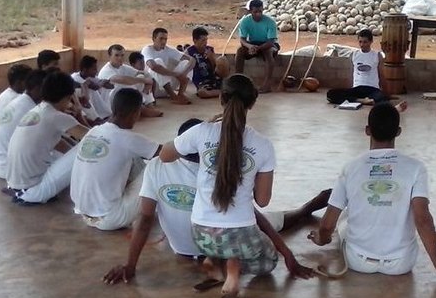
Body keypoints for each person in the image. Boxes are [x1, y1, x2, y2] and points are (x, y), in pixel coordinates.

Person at [103, 118, 331, 286]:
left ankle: (220, 264)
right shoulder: (213, 172)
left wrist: (130, 265)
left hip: (181, 249)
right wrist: (288, 255)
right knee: (274, 221)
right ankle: (307, 208)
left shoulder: (155, 166)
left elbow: (144, 219)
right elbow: (255, 215)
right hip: (224, 239)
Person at [157, 74, 310, 298]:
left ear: (221, 98)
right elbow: (263, 200)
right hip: (240, 234)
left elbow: (165, 155)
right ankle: (233, 270)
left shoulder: (201, 132)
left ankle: (214, 261)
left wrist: (202, 138)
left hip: (200, 234)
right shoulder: (263, 145)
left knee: (223, 241)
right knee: (268, 261)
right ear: (252, 103)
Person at [308, 103, 436, 279]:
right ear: (398, 132)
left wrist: (322, 239)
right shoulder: (416, 168)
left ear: (367, 130)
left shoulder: (351, 167)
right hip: (401, 263)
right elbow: (422, 219)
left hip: (358, 261)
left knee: (345, 217)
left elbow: (327, 224)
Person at [70, 89, 161, 231]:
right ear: (136, 113)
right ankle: (159, 207)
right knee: (159, 164)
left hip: (84, 213)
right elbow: (167, 153)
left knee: (135, 157)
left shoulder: (94, 131)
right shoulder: (128, 138)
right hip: (111, 218)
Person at [5, 71, 90, 205]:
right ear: (66, 98)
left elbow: (58, 143)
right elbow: (96, 138)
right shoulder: (57, 116)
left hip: (16, 185)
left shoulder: (37, 110)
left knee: (68, 151)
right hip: (34, 191)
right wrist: (78, 111)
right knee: (88, 146)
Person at [0, 69, 47, 179]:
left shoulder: (20, 101)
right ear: (37, 89)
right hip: (7, 167)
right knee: (61, 161)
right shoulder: (31, 109)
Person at [326, 28, 390, 105]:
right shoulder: (354, 54)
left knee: (382, 99)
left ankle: (360, 100)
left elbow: (381, 75)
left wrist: (386, 93)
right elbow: (350, 75)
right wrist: (349, 90)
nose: (362, 45)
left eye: (365, 42)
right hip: (357, 88)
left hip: (372, 89)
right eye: (360, 42)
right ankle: (360, 100)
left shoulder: (377, 55)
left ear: (371, 42)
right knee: (331, 94)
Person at [97, 44, 163, 118]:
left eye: (122, 55)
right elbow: (122, 80)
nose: (120, 58)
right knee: (123, 84)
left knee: (140, 77)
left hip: (122, 99)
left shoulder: (123, 67)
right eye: (116, 55)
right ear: (109, 56)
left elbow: (144, 73)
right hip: (110, 102)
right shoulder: (106, 70)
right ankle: (141, 109)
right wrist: (145, 80)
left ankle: (149, 106)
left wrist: (148, 83)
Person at [141, 27, 195, 104]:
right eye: (161, 38)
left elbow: (192, 60)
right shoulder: (147, 50)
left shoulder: (169, 49)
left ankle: (181, 94)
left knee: (186, 63)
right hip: (154, 88)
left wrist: (183, 74)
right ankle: (173, 96)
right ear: (153, 39)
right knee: (157, 61)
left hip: (169, 86)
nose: (163, 41)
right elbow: (153, 66)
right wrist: (176, 74)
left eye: (165, 39)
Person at [236, 0, 280, 93]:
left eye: (260, 11)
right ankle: (238, 81)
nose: (258, 14)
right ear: (250, 11)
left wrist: (258, 48)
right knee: (240, 51)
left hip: (268, 44)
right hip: (252, 44)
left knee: (268, 52)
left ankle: (267, 85)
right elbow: (242, 39)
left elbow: (271, 41)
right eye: (255, 12)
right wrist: (249, 46)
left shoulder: (270, 22)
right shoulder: (244, 22)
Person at [71, 55, 113, 124]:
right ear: (85, 69)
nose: (96, 71)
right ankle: (95, 119)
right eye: (94, 69)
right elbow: (94, 87)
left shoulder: (90, 77)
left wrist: (103, 82)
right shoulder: (75, 77)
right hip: (81, 105)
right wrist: (101, 83)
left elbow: (110, 86)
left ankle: (99, 117)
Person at [187, 27, 223, 99]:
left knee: (222, 60)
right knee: (202, 93)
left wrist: (211, 58)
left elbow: (216, 68)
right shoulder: (189, 52)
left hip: (213, 78)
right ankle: (223, 92)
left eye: (206, 40)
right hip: (201, 82)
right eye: (203, 40)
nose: (205, 42)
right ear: (195, 40)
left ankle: (222, 89)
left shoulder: (209, 49)